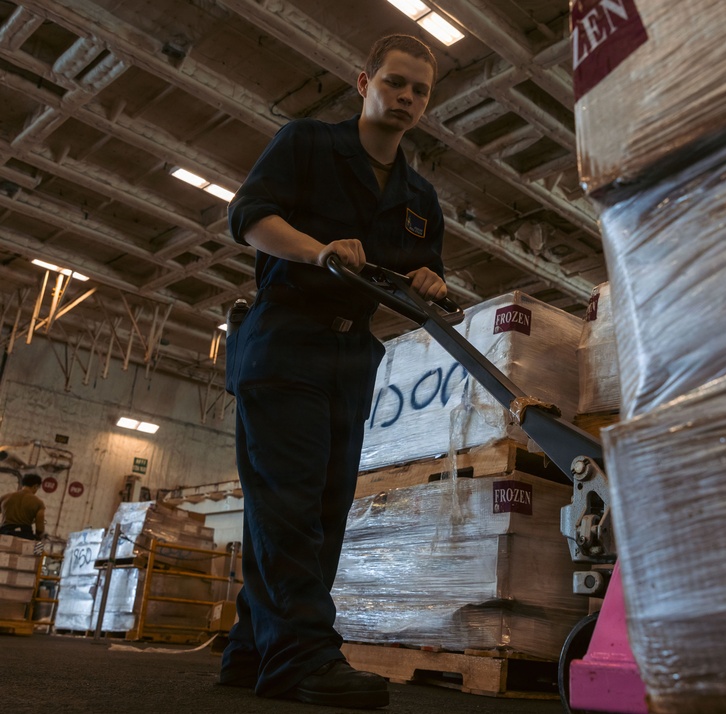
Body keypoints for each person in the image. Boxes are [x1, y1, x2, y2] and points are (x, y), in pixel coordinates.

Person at [219, 34, 447, 710]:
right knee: (287, 507)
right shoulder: (308, 145)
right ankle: (301, 657)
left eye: (420, 90)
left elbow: (416, 277)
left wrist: (430, 282)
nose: (406, 98)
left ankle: (251, 650)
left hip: (352, 357)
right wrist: (319, 253)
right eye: (395, 83)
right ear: (363, 81)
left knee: (321, 511)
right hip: (285, 342)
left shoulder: (420, 194)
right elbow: (249, 219)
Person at [0, 473, 46, 540]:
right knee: (37, 549)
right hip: (24, 535)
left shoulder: (5, 497)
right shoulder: (38, 503)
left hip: (4, 533)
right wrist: (39, 536)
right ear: (35, 486)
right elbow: (39, 526)